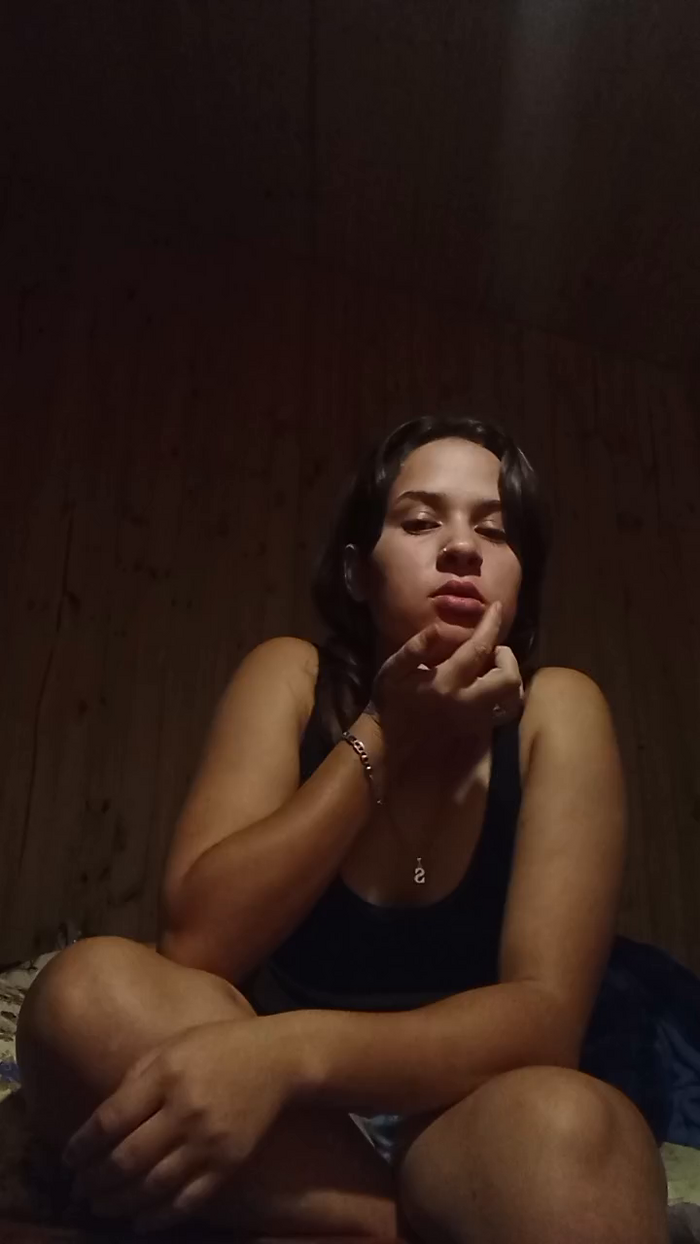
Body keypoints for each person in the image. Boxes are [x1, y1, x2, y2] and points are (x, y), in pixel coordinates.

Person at [16, 414, 669, 1243]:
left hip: (459, 1116)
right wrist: (388, 735)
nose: (461, 547)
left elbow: (545, 1021)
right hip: (279, 1127)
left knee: (579, 1129)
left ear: (522, 579)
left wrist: (287, 1055)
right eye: (421, 521)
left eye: (495, 530)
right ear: (358, 573)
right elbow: (197, 942)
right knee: (83, 995)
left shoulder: (558, 714)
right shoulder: (291, 678)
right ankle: (386, 1227)